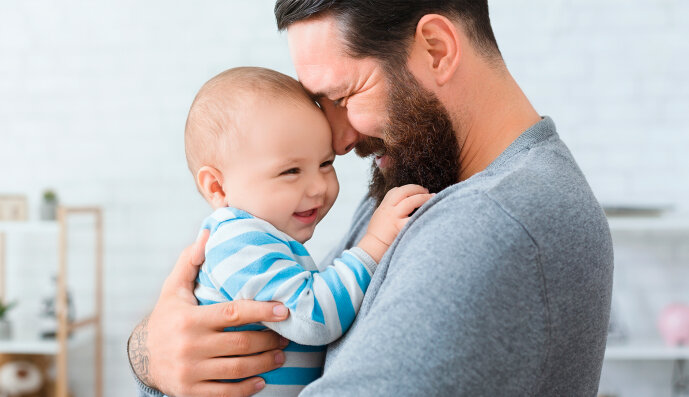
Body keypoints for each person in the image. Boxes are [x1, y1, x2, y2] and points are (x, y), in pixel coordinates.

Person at [129, 1, 614, 396]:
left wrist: (151, 360)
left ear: (436, 49)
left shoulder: (493, 220)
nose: (338, 142)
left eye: (343, 97)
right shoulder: (419, 176)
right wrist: (155, 351)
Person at [184, 66, 432, 395]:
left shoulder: (264, 240)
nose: (318, 186)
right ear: (217, 187)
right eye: (291, 171)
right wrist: (374, 245)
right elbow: (312, 316)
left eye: (326, 164)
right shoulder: (238, 242)